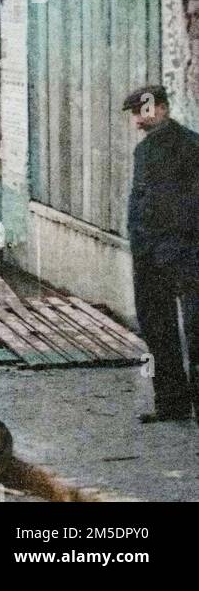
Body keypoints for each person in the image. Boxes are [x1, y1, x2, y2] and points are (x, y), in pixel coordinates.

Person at [123, 85, 199, 424]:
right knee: (162, 329)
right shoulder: (153, 149)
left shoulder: (184, 147)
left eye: (146, 111)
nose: (140, 119)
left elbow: (174, 205)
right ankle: (173, 405)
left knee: (185, 329)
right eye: (137, 113)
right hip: (157, 252)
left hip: (176, 251)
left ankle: (180, 404)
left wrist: (165, 242)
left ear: (164, 109)